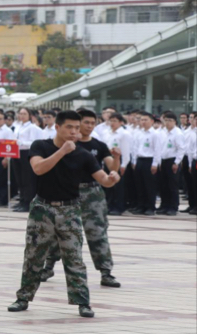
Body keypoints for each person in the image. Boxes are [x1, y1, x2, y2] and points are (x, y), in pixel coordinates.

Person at [8, 111, 120, 318]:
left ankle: (82, 302)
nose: (74, 132)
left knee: (74, 257)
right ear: (57, 127)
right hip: (42, 208)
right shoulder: (40, 146)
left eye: (77, 128)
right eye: (69, 127)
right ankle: (23, 298)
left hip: (69, 210)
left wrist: (112, 178)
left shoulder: (84, 155)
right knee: (33, 255)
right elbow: (38, 169)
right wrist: (62, 151)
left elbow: (103, 180)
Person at [41, 109, 121, 288]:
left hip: (92, 193)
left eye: (93, 123)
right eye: (85, 123)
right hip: (68, 192)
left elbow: (111, 169)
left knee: (97, 232)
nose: (89, 126)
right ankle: (48, 266)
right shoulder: (65, 145)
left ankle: (106, 271)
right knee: (58, 232)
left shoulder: (99, 145)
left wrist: (116, 159)